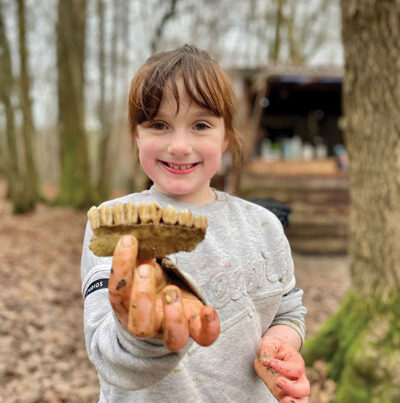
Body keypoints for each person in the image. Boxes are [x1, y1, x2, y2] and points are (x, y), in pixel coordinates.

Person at [81, 44, 310, 403]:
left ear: (226, 137)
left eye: (200, 125)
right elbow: (108, 358)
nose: (179, 145)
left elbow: (287, 309)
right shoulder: (112, 229)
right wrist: (146, 337)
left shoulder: (264, 227)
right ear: (136, 135)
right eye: (159, 124)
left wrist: (279, 345)